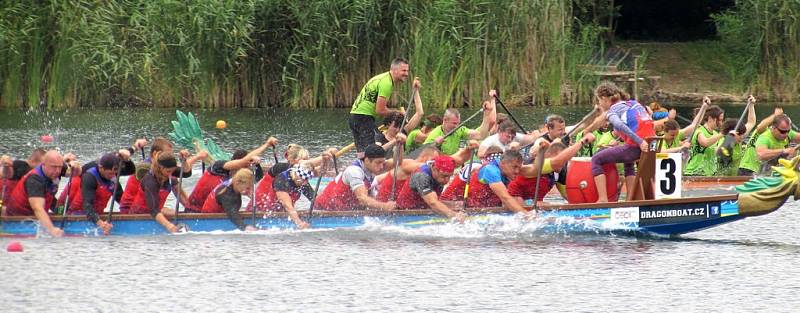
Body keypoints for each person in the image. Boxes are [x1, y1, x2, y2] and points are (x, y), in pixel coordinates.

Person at [591, 82, 654, 202]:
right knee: (628, 161)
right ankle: (630, 198)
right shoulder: (633, 103)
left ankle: (603, 199)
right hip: (652, 145)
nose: (599, 104)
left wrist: (640, 142)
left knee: (596, 159)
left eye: (599, 100)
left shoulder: (612, 111)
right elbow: (643, 122)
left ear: (604, 99)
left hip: (639, 147)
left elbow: (619, 125)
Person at [186, 137, 277, 211]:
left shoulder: (242, 178)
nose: (245, 172)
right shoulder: (219, 167)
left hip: (217, 213)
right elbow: (242, 161)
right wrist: (267, 144)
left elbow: (253, 194)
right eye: (244, 166)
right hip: (194, 211)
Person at [5, 150, 81, 237]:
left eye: (59, 167)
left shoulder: (58, 168)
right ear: (43, 164)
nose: (57, 171)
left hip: (36, 215)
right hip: (17, 220)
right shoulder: (34, 180)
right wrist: (52, 230)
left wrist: (76, 166)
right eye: (54, 167)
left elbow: (75, 173)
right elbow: (38, 209)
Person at [62, 151, 136, 235]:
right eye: (110, 174)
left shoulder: (113, 170)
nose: (113, 176)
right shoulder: (89, 177)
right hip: (79, 214)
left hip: (97, 213)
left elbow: (131, 170)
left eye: (114, 173)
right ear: (101, 168)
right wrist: (101, 224)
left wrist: (127, 159)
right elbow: (87, 206)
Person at [349, 58, 410, 159]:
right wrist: (398, 113)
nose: (406, 74)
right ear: (394, 70)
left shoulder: (382, 77)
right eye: (403, 70)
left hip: (354, 117)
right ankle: (372, 173)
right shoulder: (387, 83)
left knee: (363, 152)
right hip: (363, 118)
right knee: (374, 150)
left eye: (407, 71)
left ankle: (362, 170)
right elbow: (380, 110)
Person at [119, 137, 200, 213]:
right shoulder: (144, 168)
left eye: (170, 155)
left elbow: (185, 173)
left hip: (149, 207)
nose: (169, 158)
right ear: (155, 154)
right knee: (169, 212)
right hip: (131, 211)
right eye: (166, 154)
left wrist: (183, 160)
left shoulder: (166, 168)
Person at [509, 134, 595, 204]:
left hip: (534, 204)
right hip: (515, 199)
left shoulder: (560, 173)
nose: (562, 164)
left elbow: (568, 197)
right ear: (548, 155)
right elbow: (559, 161)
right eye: (560, 158)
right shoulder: (542, 163)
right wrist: (582, 141)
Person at [314, 144, 396, 211]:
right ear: (367, 160)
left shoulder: (373, 167)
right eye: (378, 162)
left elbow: (398, 163)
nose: (382, 167)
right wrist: (384, 206)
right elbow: (362, 199)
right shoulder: (354, 171)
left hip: (343, 210)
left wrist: (399, 146)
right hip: (323, 209)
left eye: (383, 162)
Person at [253, 144, 336, 210]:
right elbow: (305, 165)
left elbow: (321, 171)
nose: (306, 163)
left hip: (282, 213)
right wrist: (323, 156)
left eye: (307, 159)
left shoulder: (301, 180)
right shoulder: (279, 168)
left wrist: (326, 160)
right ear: (292, 160)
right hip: (259, 208)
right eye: (304, 159)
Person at [129, 153, 190, 233]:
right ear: (160, 168)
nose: (171, 174)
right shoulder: (150, 181)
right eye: (168, 171)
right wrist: (169, 226)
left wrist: (184, 160)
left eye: (173, 171)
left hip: (157, 212)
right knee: (169, 213)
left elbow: (187, 173)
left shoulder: (169, 172)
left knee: (176, 213)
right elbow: (154, 210)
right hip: (139, 215)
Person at [422, 91, 497, 155]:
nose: (457, 126)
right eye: (454, 123)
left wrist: (486, 114)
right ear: (445, 120)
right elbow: (421, 155)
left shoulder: (460, 130)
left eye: (458, 123)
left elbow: (481, 136)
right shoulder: (435, 134)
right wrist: (435, 145)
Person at [396, 156, 467, 222]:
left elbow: (434, 201)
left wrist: (455, 204)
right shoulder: (421, 176)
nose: (447, 180)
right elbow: (432, 202)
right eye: (444, 176)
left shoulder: (438, 175)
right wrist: (454, 215)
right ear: (434, 168)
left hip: (423, 210)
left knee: (458, 204)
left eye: (449, 176)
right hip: (405, 215)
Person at [466, 150, 527, 214]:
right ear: (503, 163)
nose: (517, 171)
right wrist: (526, 215)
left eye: (519, 168)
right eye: (514, 167)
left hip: (488, 207)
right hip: (472, 208)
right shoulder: (491, 170)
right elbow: (505, 198)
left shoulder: (506, 168)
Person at [266, 164, 321, 229]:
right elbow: (288, 206)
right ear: (298, 176)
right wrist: (299, 223)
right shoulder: (281, 181)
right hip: (267, 211)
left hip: (284, 211)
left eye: (307, 180)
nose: (305, 183)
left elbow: (315, 201)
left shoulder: (302, 180)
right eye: (304, 180)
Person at [684, 105, 726, 176]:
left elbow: (717, 152)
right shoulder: (698, 131)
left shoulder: (717, 135)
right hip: (694, 172)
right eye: (720, 120)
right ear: (710, 118)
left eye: (722, 120)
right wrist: (722, 134)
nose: (721, 123)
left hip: (709, 174)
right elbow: (705, 143)